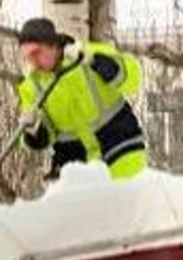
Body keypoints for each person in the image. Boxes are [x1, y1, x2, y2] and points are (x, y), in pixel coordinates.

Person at [14, 17, 148, 181]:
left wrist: (100, 64)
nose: (33, 61)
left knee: (129, 200)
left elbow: (134, 78)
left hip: (120, 146)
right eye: (27, 56)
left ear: (52, 44)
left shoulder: (88, 54)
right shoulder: (31, 88)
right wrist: (34, 131)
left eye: (36, 53)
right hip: (76, 162)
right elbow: (43, 139)